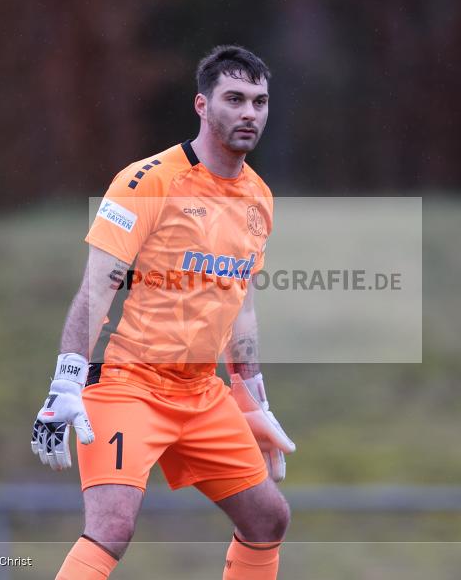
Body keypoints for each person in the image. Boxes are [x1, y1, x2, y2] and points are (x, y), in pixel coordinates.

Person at [31, 45, 296, 580]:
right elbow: (96, 290)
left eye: (260, 102)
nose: (250, 113)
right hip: (131, 385)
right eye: (235, 99)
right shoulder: (147, 181)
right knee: (112, 528)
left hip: (200, 394)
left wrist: (252, 396)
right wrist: (66, 382)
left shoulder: (259, 198)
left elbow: (239, 303)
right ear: (202, 105)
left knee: (268, 519)